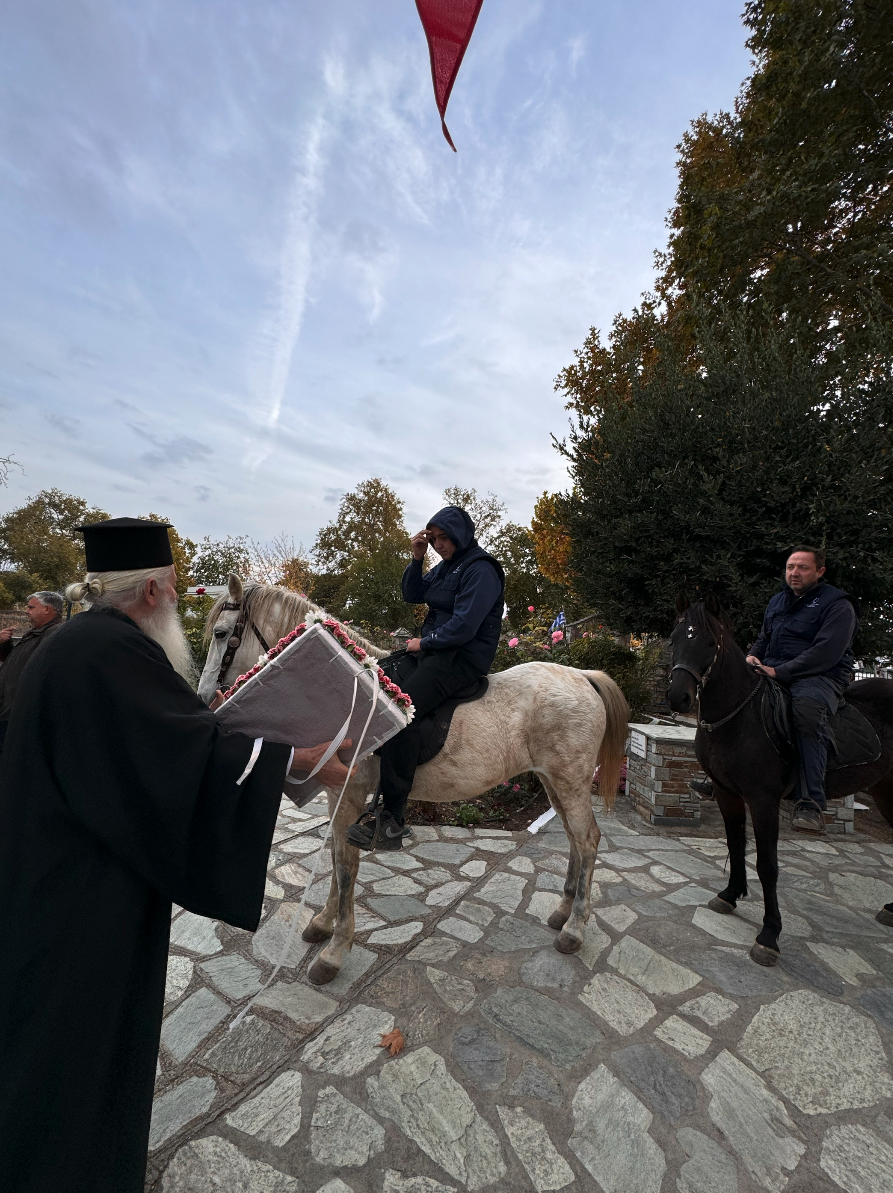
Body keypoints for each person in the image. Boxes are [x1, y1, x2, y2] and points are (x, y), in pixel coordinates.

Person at [0, 517, 354, 1193]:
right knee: (75, 1048)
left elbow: (154, 743)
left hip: (49, 870)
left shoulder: (78, 640)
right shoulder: (112, 651)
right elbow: (173, 757)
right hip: (82, 897)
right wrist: (291, 759)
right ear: (157, 588)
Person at [347, 505, 505, 850]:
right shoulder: (448, 567)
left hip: (461, 658)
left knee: (400, 712)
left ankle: (392, 821)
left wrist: (424, 642)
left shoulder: (481, 570)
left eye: (444, 538)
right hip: (434, 652)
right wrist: (417, 559)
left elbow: (464, 626)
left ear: (461, 535)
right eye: (433, 539)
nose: (439, 545)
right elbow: (412, 594)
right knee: (377, 681)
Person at [746, 545, 858, 832]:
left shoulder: (837, 605)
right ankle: (724, 777)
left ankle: (810, 803)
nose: (794, 573)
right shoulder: (776, 602)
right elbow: (763, 639)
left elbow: (826, 653)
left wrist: (779, 671)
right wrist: (752, 656)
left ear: (819, 572)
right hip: (774, 669)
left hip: (821, 675)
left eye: (802, 568)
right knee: (742, 704)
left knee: (806, 715)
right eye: (790, 567)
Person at [0, 590, 65, 753]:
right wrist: (4, 644)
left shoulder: (55, 634)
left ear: (47, 609)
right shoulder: (35, 632)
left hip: (20, 713)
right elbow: (15, 660)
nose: (26, 611)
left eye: (31, 607)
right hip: (9, 709)